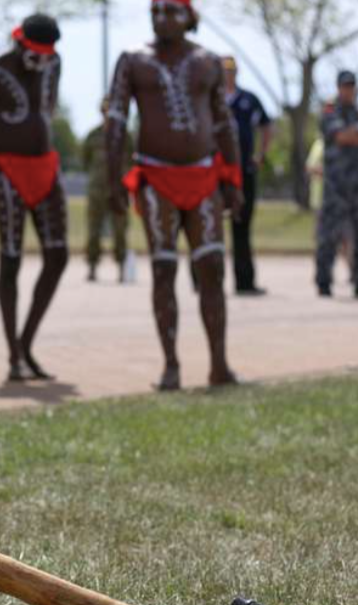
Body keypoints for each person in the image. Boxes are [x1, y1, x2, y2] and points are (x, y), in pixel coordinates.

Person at [106, 0, 243, 391]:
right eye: (156, 12)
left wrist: (234, 180)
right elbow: (115, 120)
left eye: (171, 11)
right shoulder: (132, 60)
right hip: (155, 177)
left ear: (190, 18)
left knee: (213, 267)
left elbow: (222, 122)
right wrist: (114, 177)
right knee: (163, 269)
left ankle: (219, 365)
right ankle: (171, 366)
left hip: (203, 177)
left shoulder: (209, 61)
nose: (162, 19)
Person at [0, 15, 67, 382]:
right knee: (12, 258)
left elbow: (46, 110)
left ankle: (25, 344)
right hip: (6, 170)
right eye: (34, 54)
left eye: (46, 55)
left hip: (45, 167)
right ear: (20, 42)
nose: (40, 62)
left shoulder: (54, 63)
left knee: (58, 254)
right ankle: (13, 356)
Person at [223, 56, 273, 296]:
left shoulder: (249, 100)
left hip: (243, 173)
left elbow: (266, 125)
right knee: (204, 226)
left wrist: (260, 154)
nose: (227, 75)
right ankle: (202, 281)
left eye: (231, 71)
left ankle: (245, 282)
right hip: (215, 174)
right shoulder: (210, 99)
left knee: (241, 226)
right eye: (223, 71)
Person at [316, 70, 358, 299]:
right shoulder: (330, 109)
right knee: (328, 236)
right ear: (338, 86)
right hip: (335, 185)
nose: (349, 90)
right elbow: (341, 136)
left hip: (356, 185)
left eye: (352, 86)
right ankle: (323, 282)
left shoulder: (355, 111)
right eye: (345, 86)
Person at [83, 98, 132, 283]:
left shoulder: (125, 137)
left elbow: (132, 160)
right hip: (96, 190)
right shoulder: (93, 136)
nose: (107, 115)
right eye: (105, 111)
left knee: (120, 230)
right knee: (93, 229)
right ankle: (92, 267)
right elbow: (85, 161)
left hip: (119, 190)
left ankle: (121, 267)